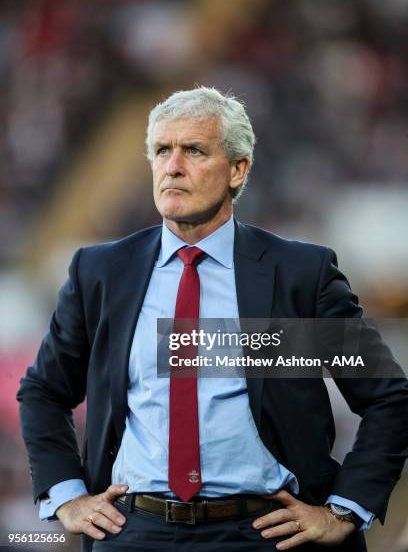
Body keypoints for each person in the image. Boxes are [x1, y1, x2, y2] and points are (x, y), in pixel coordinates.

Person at [18, 87, 408, 552]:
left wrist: (343, 508)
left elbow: (387, 398)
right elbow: (44, 391)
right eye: (162, 150)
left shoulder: (300, 275)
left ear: (238, 169)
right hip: (134, 532)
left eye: (194, 150)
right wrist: (67, 496)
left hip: (269, 533)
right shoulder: (101, 272)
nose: (173, 166)